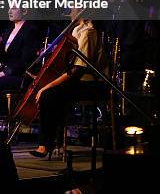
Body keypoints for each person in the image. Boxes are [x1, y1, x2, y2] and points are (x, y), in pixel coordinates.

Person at [30, 8, 108, 158]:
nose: (71, 12)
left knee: (49, 94)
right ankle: (53, 143)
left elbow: (78, 70)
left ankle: (46, 145)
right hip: (77, 81)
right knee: (52, 94)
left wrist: (47, 86)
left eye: (74, 8)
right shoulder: (75, 31)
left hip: (91, 83)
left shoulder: (88, 32)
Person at [0, 5, 41, 93]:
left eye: (14, 8)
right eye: (9, 8)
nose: (9, 11)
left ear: (24, 11)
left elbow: (25, 61)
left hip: (18, 75)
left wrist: (4, 72)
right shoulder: (8, 30)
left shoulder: (30, 30)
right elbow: (2, 55)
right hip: (5, 71)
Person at [104, 0, 146, 71]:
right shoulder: (111, 7)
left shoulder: (134, 8)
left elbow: (133, 38)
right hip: (116, 58)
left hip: (129, 63)